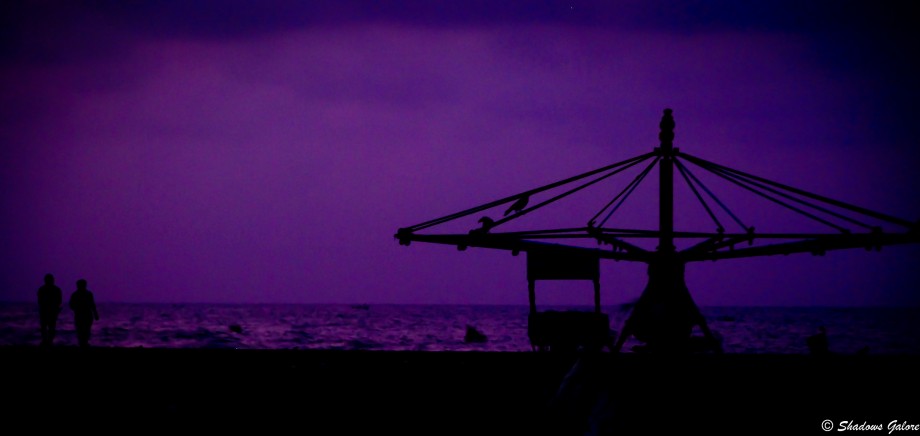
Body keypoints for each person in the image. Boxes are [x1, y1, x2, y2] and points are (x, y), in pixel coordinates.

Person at [69, 279, 99, 348]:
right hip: (82, 314)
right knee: (82, 329)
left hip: (85, 315)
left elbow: (92, 304)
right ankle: (83, 343)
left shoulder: (84, 294)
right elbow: (71, 305)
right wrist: (95, 314)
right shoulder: (77, 295)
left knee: (85, 329)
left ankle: (84, 343)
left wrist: (95, 313)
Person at [37, 273, 63, 347]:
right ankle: (48, 341)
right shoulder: (56, 289)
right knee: (49, 327)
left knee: (46, 327)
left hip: (47, 311)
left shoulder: (42, 289)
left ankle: (47, 341)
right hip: (49, 311)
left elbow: (39, 301)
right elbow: (59, 301)